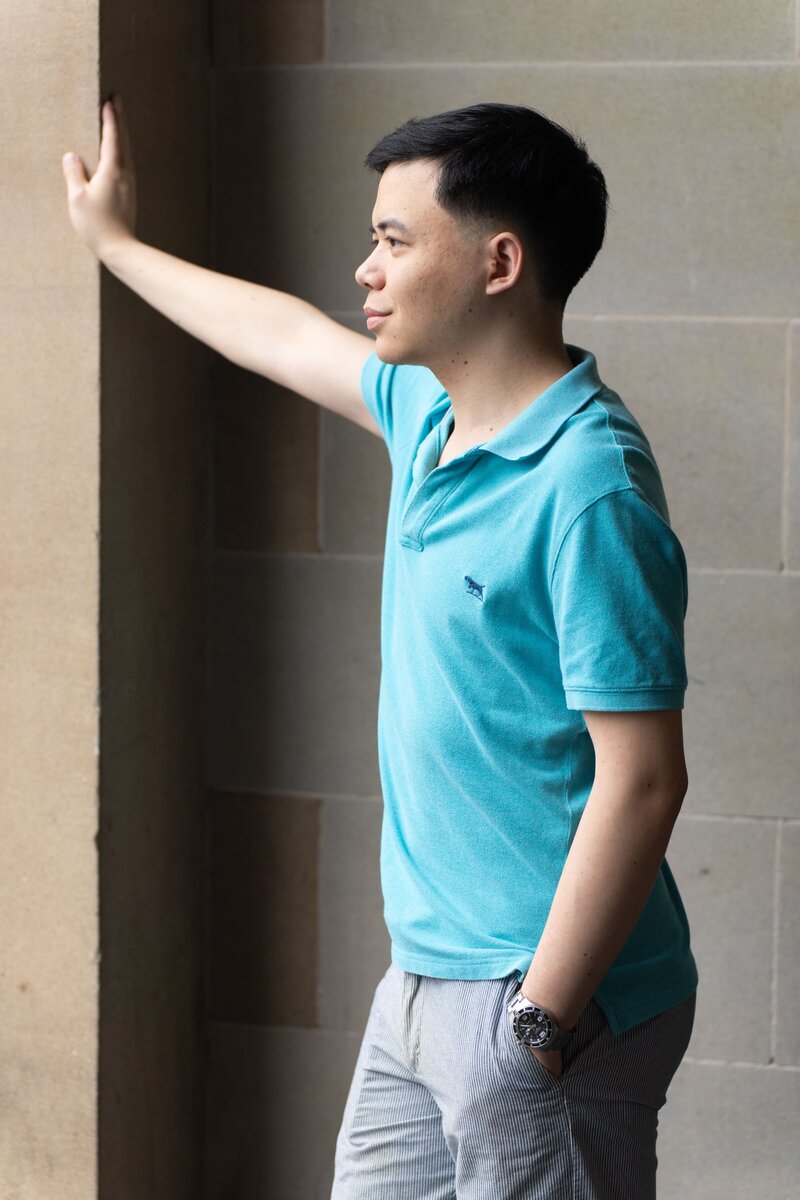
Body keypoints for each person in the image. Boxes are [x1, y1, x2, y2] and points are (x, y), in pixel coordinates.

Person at [63, 96, 698, 1200]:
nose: (365, 269)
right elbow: (279, 334)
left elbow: (641, 779)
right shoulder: (427, 417)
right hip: (421, 986)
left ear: (498, 263)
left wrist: (537, 1025)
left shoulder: (585, 484)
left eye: (394, 241)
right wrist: (114, 244)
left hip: (541, 997)